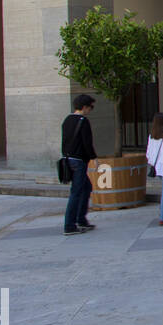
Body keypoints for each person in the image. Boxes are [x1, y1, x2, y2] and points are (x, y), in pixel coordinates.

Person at [61, 94, 98, 236]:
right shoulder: (83, 121)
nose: (91, 110)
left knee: (86, 187)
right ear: (84, 107)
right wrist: (94, 158)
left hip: (68, 159)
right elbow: (87, 143)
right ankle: (70, 225)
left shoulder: (67, 120)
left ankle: (81, 219)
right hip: (79, 161)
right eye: (91, 107)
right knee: (76, 192)